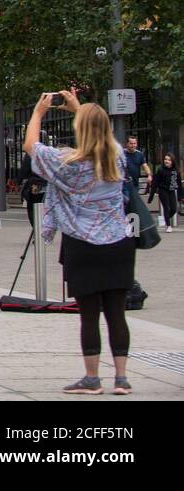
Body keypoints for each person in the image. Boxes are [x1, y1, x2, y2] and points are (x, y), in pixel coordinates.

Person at [26, 89, 135, 396]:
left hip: (82, 245)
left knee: (89, 315)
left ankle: (92, 378)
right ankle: (122, 379)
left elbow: (31, 146)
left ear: (80, 130)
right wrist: (80, 109)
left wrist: (38, 112)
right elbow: (102, 134)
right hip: (118, 244)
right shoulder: (117, 158)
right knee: (117, 314)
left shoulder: (68, 163)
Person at [151, 153, 178, 233]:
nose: (166, 161)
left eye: (169, 160)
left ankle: (165, 219)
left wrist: (180, 196)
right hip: (163, 190)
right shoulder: (160, 170)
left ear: (172, 161)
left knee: (173, 209)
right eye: (165, 159)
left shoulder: (175, 170)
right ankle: (168, 226)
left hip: (171, 190)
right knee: (166, 207)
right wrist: (151, 196)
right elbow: (155, 183)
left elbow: (178, 182)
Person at [121, 134, 150, 203]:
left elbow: (145, 165)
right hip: (124, 183)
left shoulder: (139, 154)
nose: (133, 145)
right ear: (127, 144)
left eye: (134, 143)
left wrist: (149, 175)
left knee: (134, 203)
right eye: (131, 143)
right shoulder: (122, 153)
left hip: (135, 184)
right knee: (126, 201)